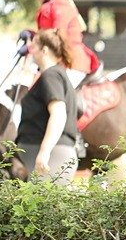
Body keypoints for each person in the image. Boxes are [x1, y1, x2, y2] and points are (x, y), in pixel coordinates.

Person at [15, 29, 79, 184]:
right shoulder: (54, 74)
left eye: (34, 47)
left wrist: (44, 152)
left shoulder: (51, 75)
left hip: (53, 155)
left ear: (43, 50)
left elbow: (58, 114)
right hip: (50, 153)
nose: (31, 51)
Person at [28, 0, 100, 76]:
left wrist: (33, 42)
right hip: (56, 62)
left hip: (70, 64)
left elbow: (56, 37)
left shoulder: (60, 3)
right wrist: (31, 36)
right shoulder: (50, 3)